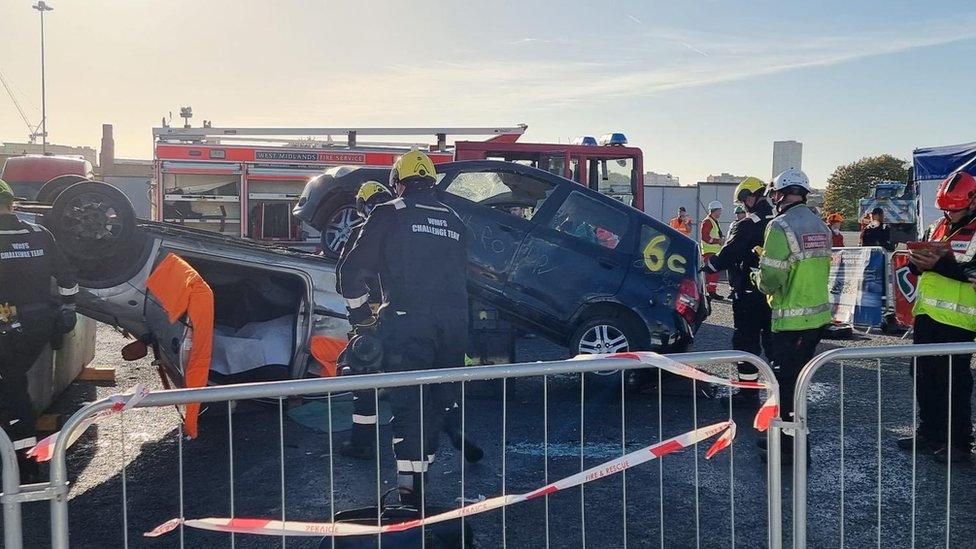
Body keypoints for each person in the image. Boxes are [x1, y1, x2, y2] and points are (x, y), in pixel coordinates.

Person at [337, 150, 469, 506]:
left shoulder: (390, 213)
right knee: (435, 405)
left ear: (398, 183)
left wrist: (361, 316)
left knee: (409, 405)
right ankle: (421, 482)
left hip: (410, 324)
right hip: (454, 329)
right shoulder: (455, 219)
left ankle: (409, 496)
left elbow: (351, 272)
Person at [0, 179, 78, 482]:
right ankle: (23, 458)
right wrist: (68, 309)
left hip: (7, 325)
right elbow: (67, 277)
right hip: (40, 323)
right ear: (12, 203)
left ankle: (24, 465)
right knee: (13, 384)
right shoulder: (39, 234)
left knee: (11, 388)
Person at [754, 168, 832, 464]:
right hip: (815, 318)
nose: (773, 199)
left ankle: (790, 450)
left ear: (781, 194)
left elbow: (772, 276)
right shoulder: (820, 225)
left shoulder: (780, 226)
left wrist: (758, 281)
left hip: (791, 320)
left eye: (774, 193)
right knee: (797, 382)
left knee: (785, 385)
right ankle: (791, 443)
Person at [902, 171, 976, 463]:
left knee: (954, 383)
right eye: (945, 208)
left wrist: (938, 265)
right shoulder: (936, 227)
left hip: (959, 320)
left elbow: (970, 273)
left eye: (955, 209)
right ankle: (929, 433)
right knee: (922, 375)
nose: (950, 213)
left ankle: (958, 442)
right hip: (927, 314)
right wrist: (917, 262)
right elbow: (917, 267)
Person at [334, 180, 392, 459]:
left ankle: (363, 443)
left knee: (364, 383)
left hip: (368, 321)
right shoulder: (404, 229)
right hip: (400, 318)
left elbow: (344, 279)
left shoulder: (360, 232)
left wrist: (363, 319)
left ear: (361, 206)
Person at [703, 177, 774, 384]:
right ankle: (785, 392)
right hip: (773, 293)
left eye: (743, 202)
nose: (743, 206)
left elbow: (730, 253)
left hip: (748, 292)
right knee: (774, 343)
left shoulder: (747, 225)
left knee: (746, 343)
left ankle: (748, 391)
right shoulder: (778, 221)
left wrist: (709, 266)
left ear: (750, 198)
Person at [701, 201, 725, 300]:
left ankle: (709, 291)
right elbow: (705, 237)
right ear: (716, 210)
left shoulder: (712, 221)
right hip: (709, 251)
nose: (720, 213)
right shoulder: (708, 222)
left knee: (712, 273)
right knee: (713, 273)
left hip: (713, 251)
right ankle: (710, 291)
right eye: (720, 210)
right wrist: (718, 240)